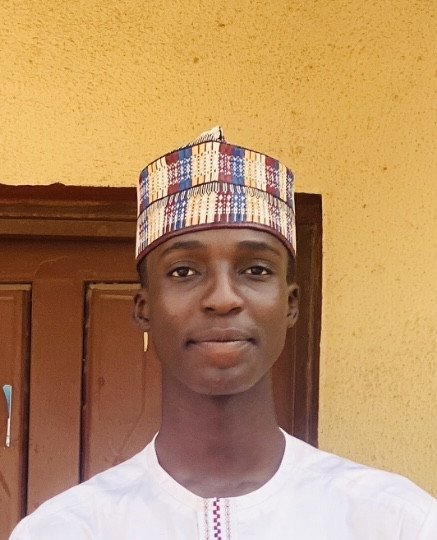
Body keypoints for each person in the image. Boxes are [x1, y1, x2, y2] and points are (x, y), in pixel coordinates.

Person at [11, 127, 437, 539]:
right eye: (184, 271)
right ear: (144, 308)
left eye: (256, 270)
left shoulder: (395, 521)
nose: (222, 298)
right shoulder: (66, 529)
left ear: (290, 304)